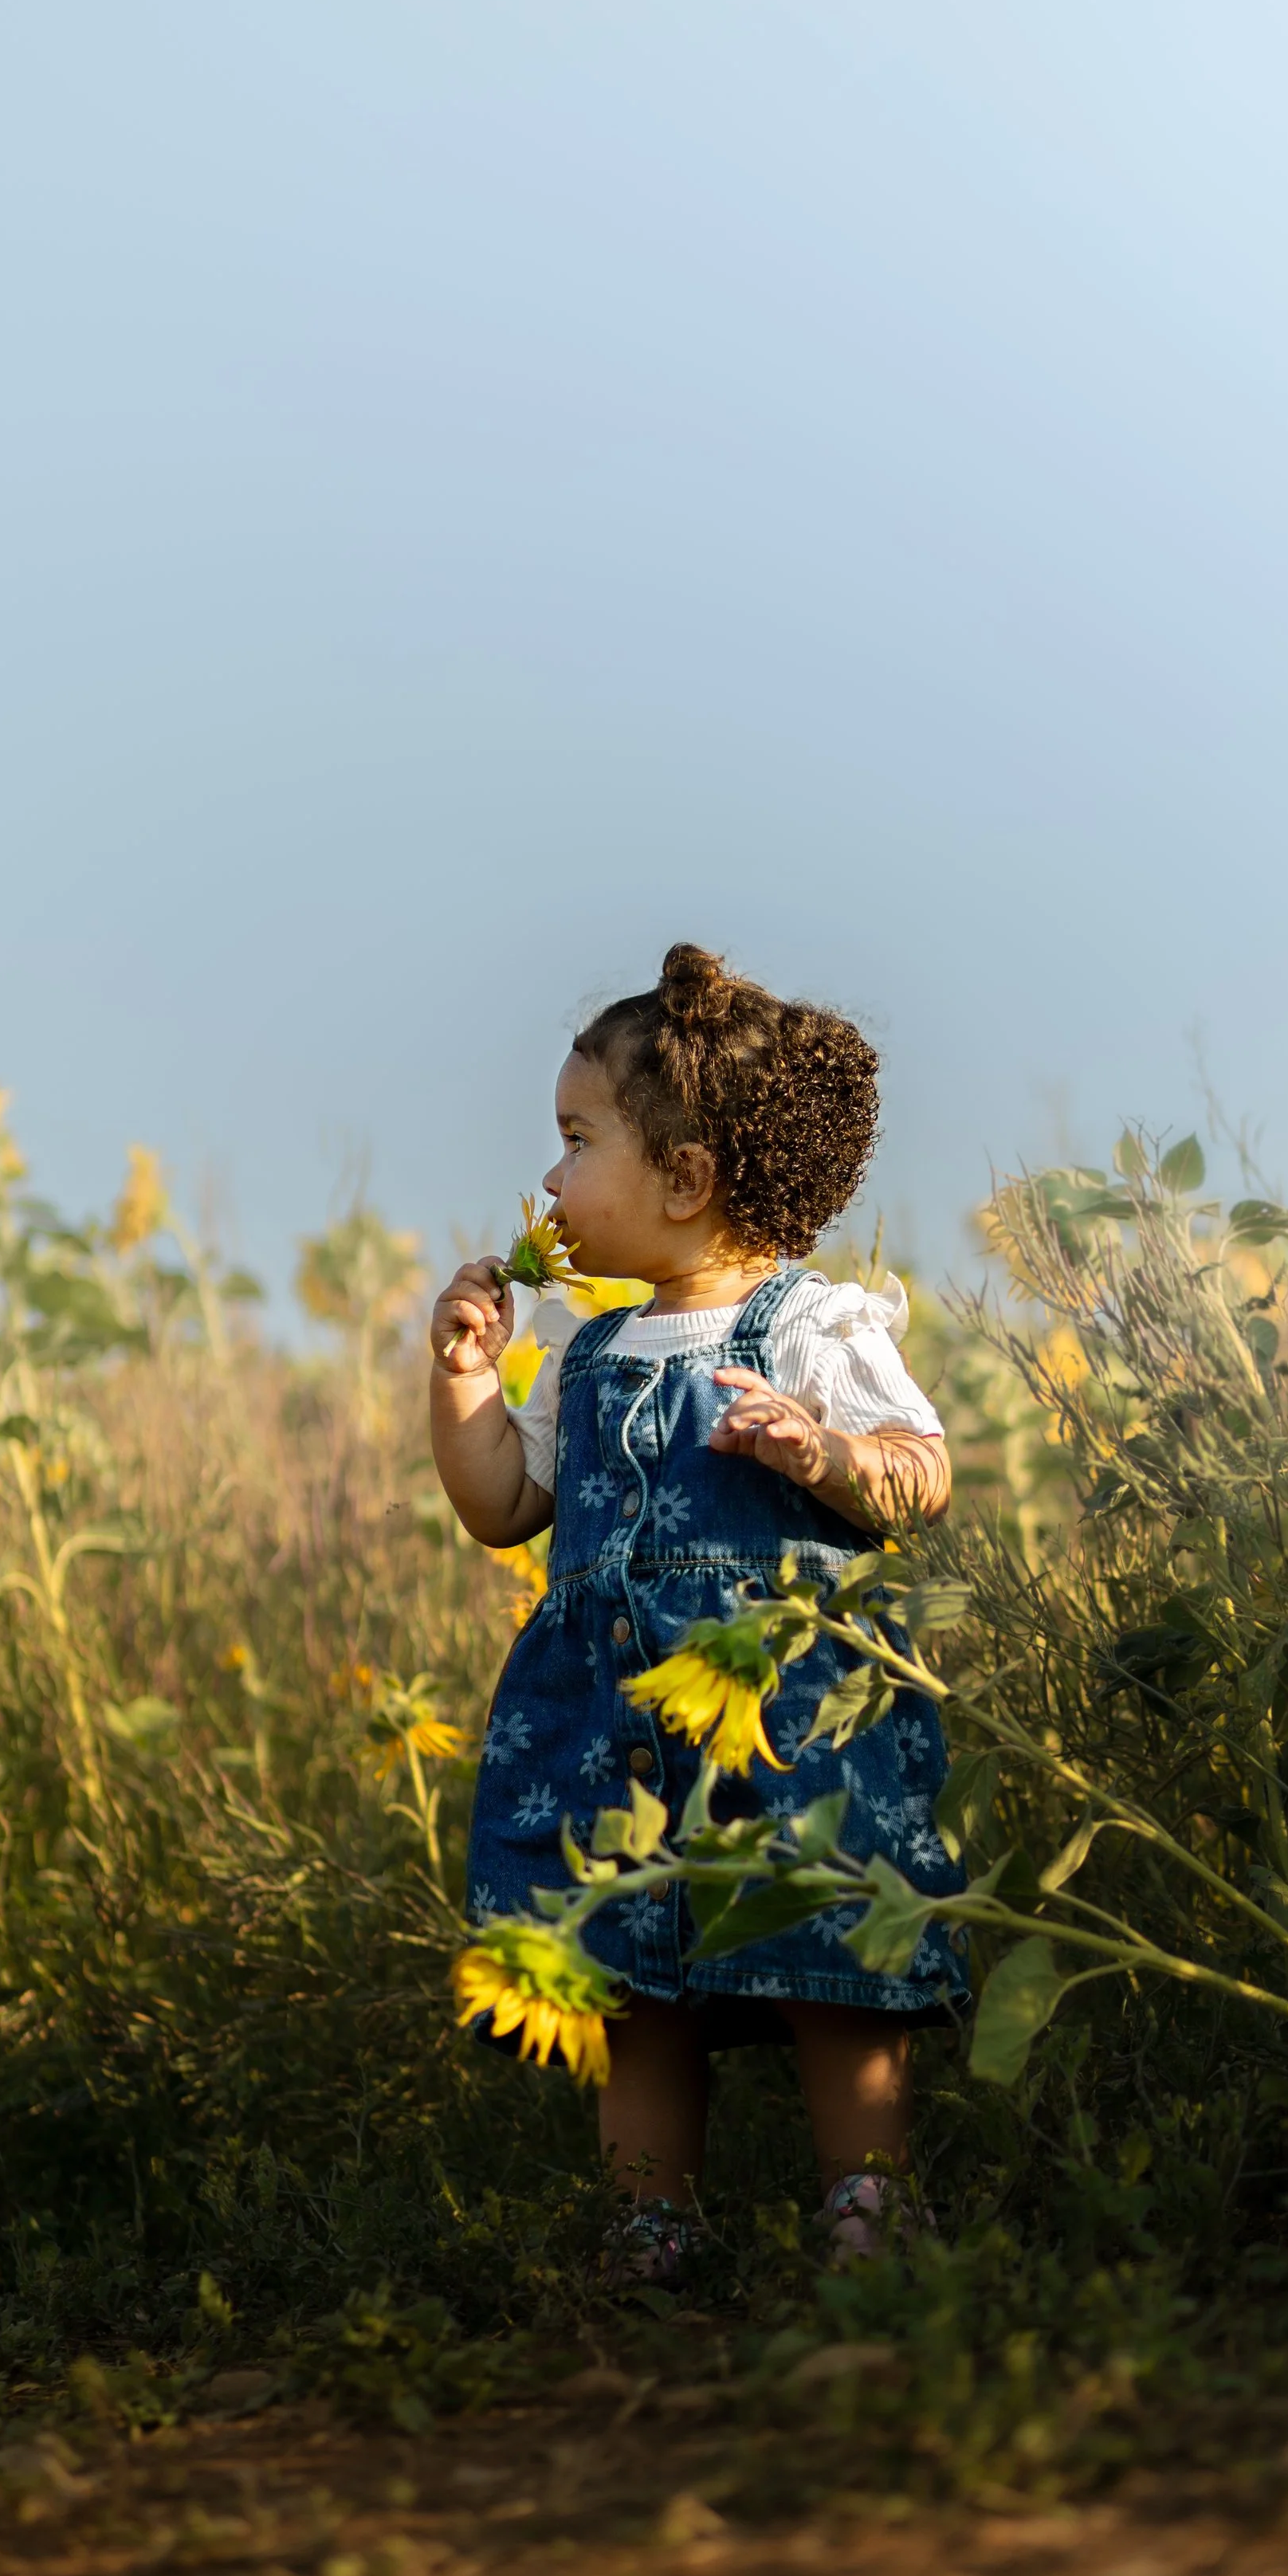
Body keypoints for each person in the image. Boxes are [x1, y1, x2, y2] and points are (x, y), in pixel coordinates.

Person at [429, 944, 964, 2278]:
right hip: (612, 1724)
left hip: (785, 1719)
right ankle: (651, 2217)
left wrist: (827, 1456)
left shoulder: (809, 1325)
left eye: (574, 1139)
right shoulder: (598, 1348)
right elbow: (505, 1505)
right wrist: (465, 1384)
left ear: (686, 1177)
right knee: (633, 1986)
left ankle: (872, 2199)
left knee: (830, 1960)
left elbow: (923, 1471)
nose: (548, 1183)